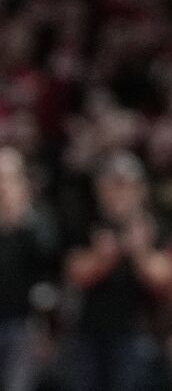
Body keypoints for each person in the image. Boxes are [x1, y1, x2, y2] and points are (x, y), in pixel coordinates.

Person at [62, 153, 172, 391]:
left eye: (126, 185)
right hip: (88, 332)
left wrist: (140, 253)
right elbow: (73, 272)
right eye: (112, 185)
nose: (119, 193)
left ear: (140, 189)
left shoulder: (155, 226)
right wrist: (102, 259)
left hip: (138, 333)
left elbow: (167, 277)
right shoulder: (86, 222)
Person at [0, 147, 54, 391]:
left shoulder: (39, 224)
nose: (3, 186)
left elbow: (50, 275)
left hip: (22, 326)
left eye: (9, 178)